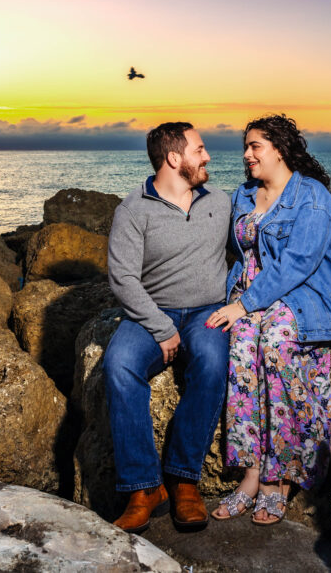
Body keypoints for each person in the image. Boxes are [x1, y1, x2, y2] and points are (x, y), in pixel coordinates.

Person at [205, 114, 331, 525]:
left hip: (300, 296)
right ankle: (251, 472)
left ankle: (279, 476)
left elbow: (298, 263)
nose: (247, 155)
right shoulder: (245, 194)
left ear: (280, 149)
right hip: (251, 297)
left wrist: (245, 303)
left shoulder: (313, 197)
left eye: (255, 146)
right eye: (245, 147)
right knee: (240, 343)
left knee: (274, 341)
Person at [104, 121, 232, 534]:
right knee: (119, 364)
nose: (207, 156)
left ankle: (182, 479)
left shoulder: (221, 202)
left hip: (208, 310)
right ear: (174, 158)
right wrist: (161, 328)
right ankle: (144, 488)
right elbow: (122, 278)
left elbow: (256, 240)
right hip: (152, 311)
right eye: (200, 149)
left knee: (212, 361)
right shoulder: (133, 210)